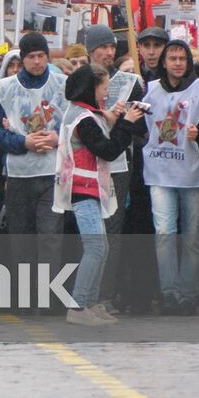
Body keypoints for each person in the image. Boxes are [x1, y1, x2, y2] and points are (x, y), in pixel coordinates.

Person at [52, 64, 142, 326]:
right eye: (104, 88)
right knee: (96, 247)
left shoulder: (86, 113)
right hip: (82, 189)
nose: (107, 94)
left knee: (99, 248)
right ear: (91, 89)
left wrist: (113, 121)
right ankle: (78, 306)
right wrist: (126, 125)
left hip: (89, 187)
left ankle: (90, 303)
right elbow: (109, 150)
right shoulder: (84, 119)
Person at [141, 39, 199, 315]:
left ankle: (189, 293)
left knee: (191, 236)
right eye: (172, 58)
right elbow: (138, 125)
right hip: (159, 172)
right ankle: (169, 293)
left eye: (181, 58)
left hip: (192, 174)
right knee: (164, 233)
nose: (177, 63)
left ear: (188, 61)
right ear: (164, 62)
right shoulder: (148, 90)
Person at [0, 33, 68, 287]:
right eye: (31, 57)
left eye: (41, 56)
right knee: (21, 239)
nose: (37, 62)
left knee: (50, 237)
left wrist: (58, 138)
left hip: (51, 173)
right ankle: (25, 294)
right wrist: (24, 142)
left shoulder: (63, 84)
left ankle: (49, 295)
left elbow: (76, 124)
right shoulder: (5, 88)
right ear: (22, 59)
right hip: (19, 174)